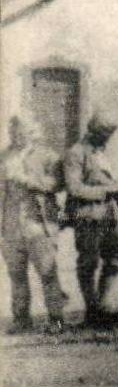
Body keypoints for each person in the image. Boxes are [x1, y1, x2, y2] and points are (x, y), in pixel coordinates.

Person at [1, 116, 68, 334]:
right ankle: (21, 319)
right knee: (16, 275)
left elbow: (57, 184)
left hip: (38, 224)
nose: (17, 137)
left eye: (22, 133)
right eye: (14, 133)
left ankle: (56, 319)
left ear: (33, 133)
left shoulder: (48, 156)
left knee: (47, 272)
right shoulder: (3, 157)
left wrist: (26, 180)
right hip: (10, 225)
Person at [62, 111, 118, 327]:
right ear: (92, 131)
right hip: (88, 215)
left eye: (109, 134)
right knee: (89, 262)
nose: (108, 137)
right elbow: (74, 188)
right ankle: (92, 310)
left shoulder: (102, 152)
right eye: (104, 133)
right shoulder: (76, 153)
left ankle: (102, 303)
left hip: (109, 213)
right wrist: (109, 190)